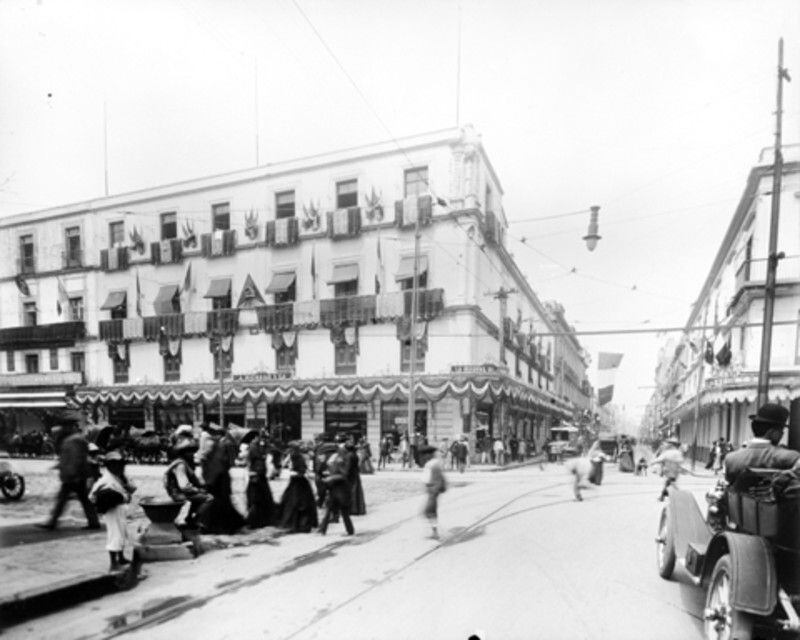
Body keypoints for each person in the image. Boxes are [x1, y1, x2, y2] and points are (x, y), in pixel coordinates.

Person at [39, 425, 100, 530]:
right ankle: (93, 522)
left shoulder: (71, 442)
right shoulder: (75, 440)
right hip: (77, 475)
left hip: (73, 476)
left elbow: (73, 459)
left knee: (63, 499)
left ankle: (52, 522)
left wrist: (71, 474)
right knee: (82, 499)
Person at [724, 403, 800, 487]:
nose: (782, 434)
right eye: (781, 431)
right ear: (773, 432)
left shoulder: (730, 459)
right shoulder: (791, 458)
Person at [89, 450, 135, 570]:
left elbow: (132, 488)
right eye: (115, 464)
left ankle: (121, 557)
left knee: (122, 533)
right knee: (115, 535)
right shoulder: (106, 479)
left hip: (120, 508)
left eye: (120, 464)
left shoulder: (118, 477)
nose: (119, 466)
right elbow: (92, 495)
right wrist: (111, 499)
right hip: (112, 510)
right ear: (109, 466)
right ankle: (113, 562)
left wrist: (124, 479)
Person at [199, 430, 245, 534]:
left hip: (216, 477)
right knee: (221, 502)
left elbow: (212, 460)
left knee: (220, 502)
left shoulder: (218, 444)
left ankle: (212, 524)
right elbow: (230, 462)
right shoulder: (226, 444)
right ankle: (226, 524)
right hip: (220, 477)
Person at [164, 439, 212, 529]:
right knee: (209, 498)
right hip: (179, 493)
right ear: (183, 453)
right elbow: (184, 486)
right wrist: (198, 490)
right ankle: (194, 520)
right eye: (190, 452)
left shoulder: (184, 462)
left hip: (180, 492)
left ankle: (190, 518)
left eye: (193, 451)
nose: (193, 454)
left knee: (201, 495)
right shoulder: (180, 465)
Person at [278, 444, 319, 533]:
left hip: (298, 482)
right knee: (297, 503)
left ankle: (298, 525)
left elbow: (301, 470)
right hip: (298, 482)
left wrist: (294, 472)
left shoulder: (297, 457)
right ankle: (298, 525)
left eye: (291, 450)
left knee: (297, 503)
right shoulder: (296, 457)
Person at [318, 437, 354, 536]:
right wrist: (327, 473)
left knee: (344, 511)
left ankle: (350, 530)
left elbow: (343, 474)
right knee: (330, 509)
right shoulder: (336, 457)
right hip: (335, 488)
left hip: (342, 488)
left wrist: (331, 478)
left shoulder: (344, 457)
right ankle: (322, 529)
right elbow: (333, 470)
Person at [245, 433, 276, 528]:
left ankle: (259, 520)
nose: (261, 439)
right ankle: (256, 520)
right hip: (257, 473)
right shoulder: (254, 446)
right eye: (260, 437)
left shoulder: (256, 446)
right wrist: (263, 455)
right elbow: (257, 457)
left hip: (258, 473)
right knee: (257, 498)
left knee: (260, 497)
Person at [419, 444, 447, 539]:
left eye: (425, 454)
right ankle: (434, 531)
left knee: (428, 511)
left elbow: (437, 480)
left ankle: (436, 532)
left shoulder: (433, 464)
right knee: (431, 511)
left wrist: (433, 492)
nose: (423, 456)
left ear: (429, 455)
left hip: (433, 491)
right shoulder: (433, 463)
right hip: (432, 490)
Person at [346, 436, 367, 516]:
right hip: (356, 475)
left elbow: (348, 467)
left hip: (351, 476)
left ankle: (353, 509)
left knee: (353, 492)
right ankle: (359, 508)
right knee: (357, 493)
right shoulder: (355, 455)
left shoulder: (350, 456)